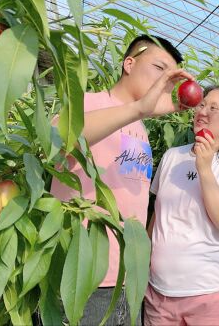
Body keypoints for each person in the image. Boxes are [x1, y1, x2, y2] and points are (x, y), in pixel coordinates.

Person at [50, 35, 194, 325]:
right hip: (83, 273)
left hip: (127, 278)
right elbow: (58, 140)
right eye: (159, 67)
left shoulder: (139, 127)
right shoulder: (88, 103)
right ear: (129, 63)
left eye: (170, 76)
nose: (165, 81)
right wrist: (138, 109)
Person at [144, 82, 219, 326]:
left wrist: (204, 167)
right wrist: (143, 262)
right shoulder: (172, 156)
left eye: (214, 108)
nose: (202, 111)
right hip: (159, 293)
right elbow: (158, 217)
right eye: (202, 104)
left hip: (208, 294)